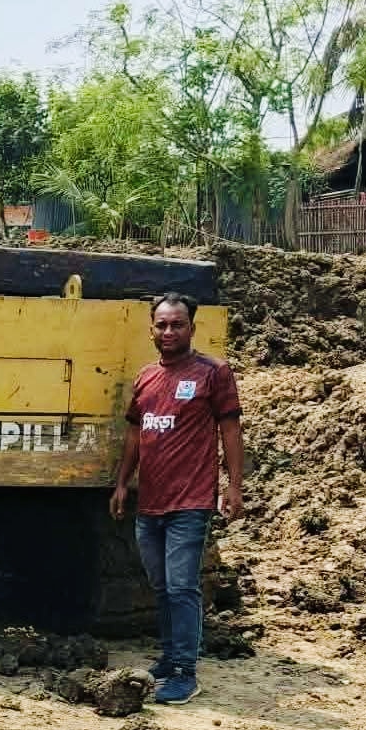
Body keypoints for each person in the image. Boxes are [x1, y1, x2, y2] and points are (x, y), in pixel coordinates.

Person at [110, 295, 243, 705]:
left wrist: (233, 485)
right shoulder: (146, 378)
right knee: (161, 585)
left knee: (183, 586)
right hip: (149, 501)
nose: (169, 332)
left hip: (191, 500)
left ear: (192, 328)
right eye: (162, 325)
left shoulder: (213, 373)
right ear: (151, 329)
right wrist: (121, 483)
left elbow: (231, 431)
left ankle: (186, 672)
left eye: (177, 325)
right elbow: (136, 433)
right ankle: (169, 659)